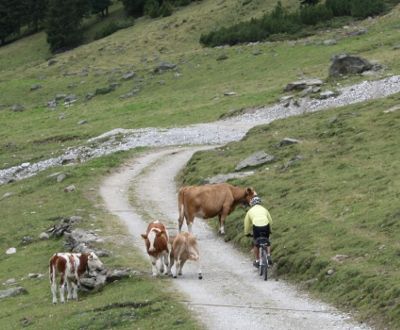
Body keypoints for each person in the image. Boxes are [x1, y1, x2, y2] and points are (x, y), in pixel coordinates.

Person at [244, 196, 273, 268]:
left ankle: (257, 260)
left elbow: (246, 224)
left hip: (256, 227)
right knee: (267, 241)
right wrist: (270, 230)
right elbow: (270, 221)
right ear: (260, 203)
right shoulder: (265, 209)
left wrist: (246, 233)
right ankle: (268, 255)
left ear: (252, 204)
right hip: (266, 225)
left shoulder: (250, 211)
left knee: (256, 243)